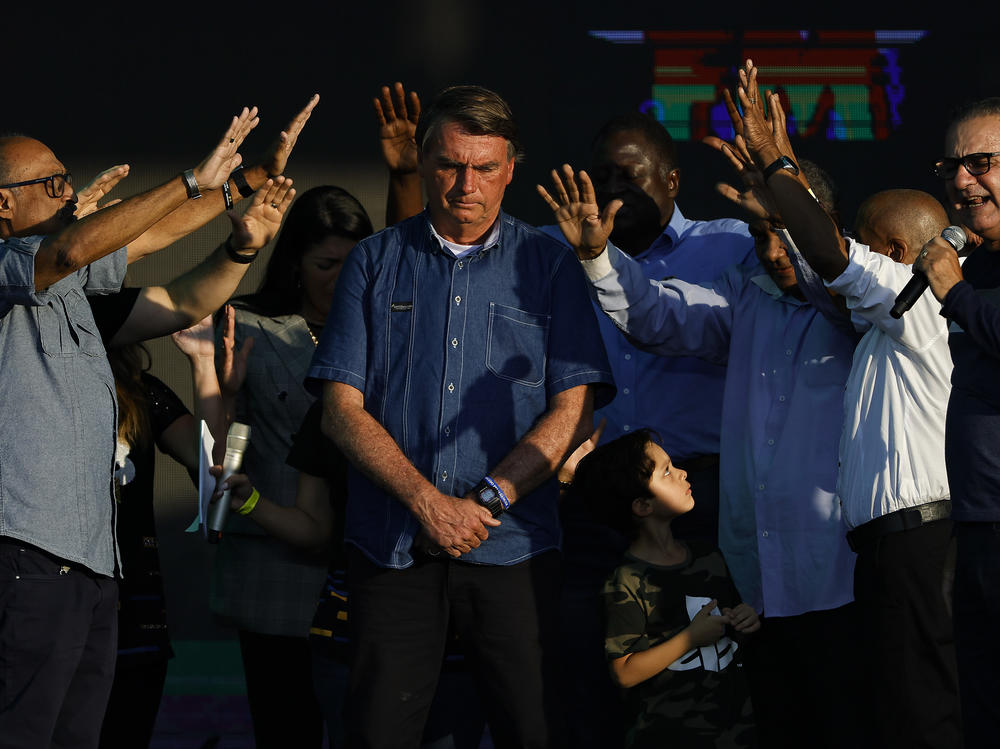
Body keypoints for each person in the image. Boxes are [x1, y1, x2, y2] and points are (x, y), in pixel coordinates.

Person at [537, 106, 864, 747]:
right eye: (761, 233)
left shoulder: (866, 303)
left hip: (825, 552)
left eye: (784, 232)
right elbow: (662, 316)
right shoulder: (747, 291)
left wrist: (780, 168)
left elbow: (835, 278)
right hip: (723, 532)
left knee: (828, 705)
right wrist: (600, 258)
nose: (771, 252)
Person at [308, 84, 615, 748]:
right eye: (450, 164)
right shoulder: (373, 260)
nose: (465, 184)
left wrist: (489, 495)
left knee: (535, 731)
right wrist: (427, 502)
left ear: (510, 169)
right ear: (422, 161)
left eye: (484, 167)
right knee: (376, 734)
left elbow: (575, 406)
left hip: (516, 548)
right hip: (391, 546)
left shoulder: (550, 263)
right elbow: (339, 410)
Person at [0, 106, 262, 749]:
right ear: (3, 204)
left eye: (67, 179)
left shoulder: (72, 287)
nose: (71, 191)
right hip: (29, 553)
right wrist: (190, 180)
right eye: (53, 183)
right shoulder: (11, 266)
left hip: (95, 565)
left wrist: (246, 181)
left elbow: (149, 238)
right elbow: (71, 248)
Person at [724, 66, 962, 747]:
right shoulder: (892, 321)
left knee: (923, 716)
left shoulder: (915, 300)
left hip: (919, 544)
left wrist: (776, 163)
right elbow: (822, 266)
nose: (848, 250)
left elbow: (827, 255)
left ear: (889, 252)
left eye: (862, 238)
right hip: (893, 551)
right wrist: (781, 174)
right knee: (896, 712)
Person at [209, 185, 373, 749]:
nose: (340, 277)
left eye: (354, 263)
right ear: (296, 262)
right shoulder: (248, 323)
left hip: (367, 562)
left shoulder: (386, 327)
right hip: (277, 559)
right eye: (326, 263)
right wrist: (224, 397)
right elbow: (223, 448)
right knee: (284, 728)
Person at [572, 429, 758, 748]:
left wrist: (745, 618)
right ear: (643, 506)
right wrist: (690, 638)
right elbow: (624, 671)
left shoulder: (708, 555)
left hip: (733, 731)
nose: (683, 472)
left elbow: (732, 623)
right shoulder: (625, 581)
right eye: (668, 471)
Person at [914, 96, 1000, 747]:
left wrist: (955, 290)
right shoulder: (980, 260)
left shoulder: (965, 280)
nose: (962, 182)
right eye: (953, 166)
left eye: (982, 163)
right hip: (978, 518)